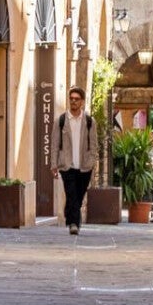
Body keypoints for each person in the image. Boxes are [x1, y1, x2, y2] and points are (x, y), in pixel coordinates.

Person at [52, 86, 98, 235]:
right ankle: (73, 223)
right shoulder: (61, 120)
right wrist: (54, 164)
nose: (73, 101)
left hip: (85, 165)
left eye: (76, 99)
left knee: (79, 195)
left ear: (82, 102)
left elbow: (94, 145)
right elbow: (54, 144)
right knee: (71, 193)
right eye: (71, 99)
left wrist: (92, 162)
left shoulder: (90, 121)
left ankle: (70, 214)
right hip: (67, 165)